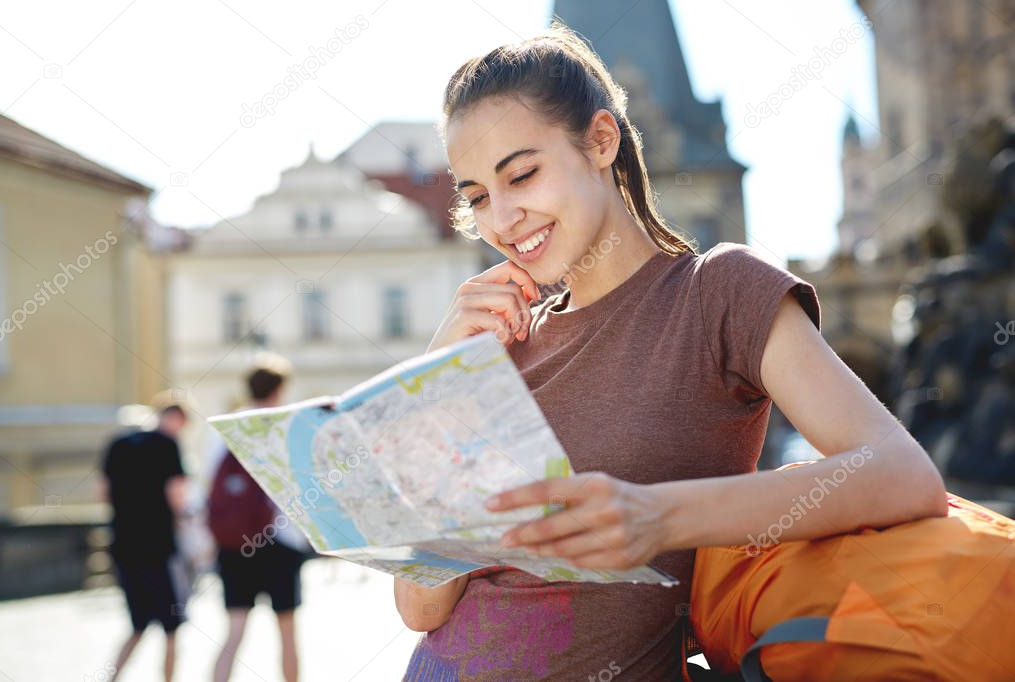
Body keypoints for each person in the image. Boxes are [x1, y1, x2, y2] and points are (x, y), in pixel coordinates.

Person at [395, 22, 949, 681]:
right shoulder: (498, 347)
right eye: (478, 197)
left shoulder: (716, 292)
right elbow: (421, 605)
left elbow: (902, 476)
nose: (501, 219)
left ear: (601, 141)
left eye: (522, 175)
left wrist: (659, 517)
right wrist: (437, 381)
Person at [211, 354, 309, 682]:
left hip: (233, 545)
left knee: (234, 632)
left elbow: (208, 490)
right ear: (279, 389)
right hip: (280, 540)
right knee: (287, 633)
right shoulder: (284, 425)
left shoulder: (223, 428)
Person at [100, 391, 190, 682]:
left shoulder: (117, 443)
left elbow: (102, 493)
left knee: (138, 625)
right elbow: (177, 495)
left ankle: (111, 677)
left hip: (124, 545)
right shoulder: (167, 444)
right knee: (172, 627)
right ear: (175, 417)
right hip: (160, 547)